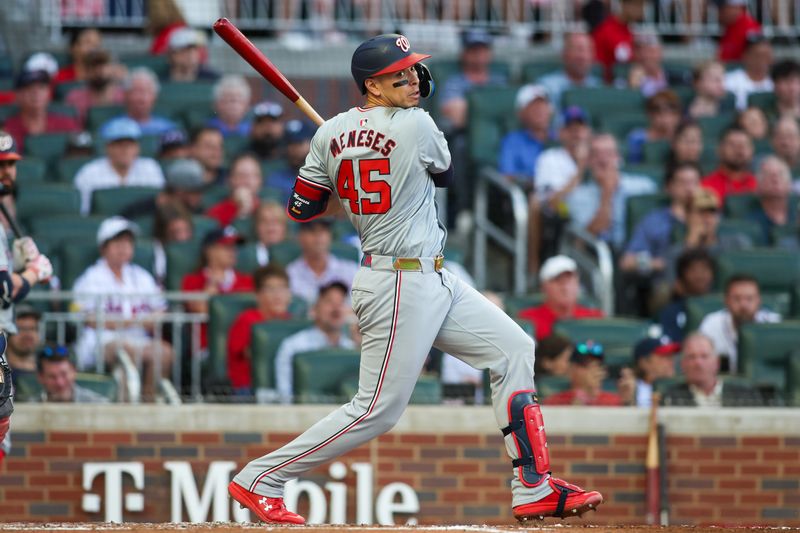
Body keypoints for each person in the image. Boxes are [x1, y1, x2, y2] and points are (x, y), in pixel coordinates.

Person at [228, 34, 603, 524]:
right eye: (398, 73)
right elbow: (443, 172)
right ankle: (263, 477)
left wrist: (345, 159)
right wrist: (375, 150)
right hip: (396, 281)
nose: (411, 78)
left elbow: (303, 208)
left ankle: (532, 485)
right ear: (372, 85)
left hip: (433, 276)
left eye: (412, 69)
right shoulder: (418, 124)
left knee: (514, 348)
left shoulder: (329, 134)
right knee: (376, 410)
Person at [72, 217, 173, 401]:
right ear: (103, 247)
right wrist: (138, 321)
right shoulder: (91, 278)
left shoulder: (141, 276)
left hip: (138, 339)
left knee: (164, 352)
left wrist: (129, 322)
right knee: (125, 350)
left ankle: (149, 405)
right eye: (117, 242)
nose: (124, 247)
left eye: (128, 242)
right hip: (101, 341)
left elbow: (160, 312)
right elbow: (90, 319)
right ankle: (125, 408)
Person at [566, 133, 657, 249]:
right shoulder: (577, 196)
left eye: (609, 154)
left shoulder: (644, 186)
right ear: (588, 161)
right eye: (596, 154)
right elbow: (584, 240)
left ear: (619, 158)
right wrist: (607, 193)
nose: (603, 160)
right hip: (601, 255)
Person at [273, 282, 354, 403]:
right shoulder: (293, 346)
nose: (336, 308)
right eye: (329, 302)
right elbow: (284, 396)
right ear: (314, 309)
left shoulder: (351, 348)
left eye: (341, 302)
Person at [621, 163, 702, 279]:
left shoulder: (712, 217)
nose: (689, 189)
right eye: (683, 183)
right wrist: (658, 263)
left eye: (694, 183)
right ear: (669, 187)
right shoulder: (654, 221)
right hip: (666, 286)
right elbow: (628, 262)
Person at [74, 117, 165, 215]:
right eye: (119, 144)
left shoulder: (150, 168)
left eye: (129, 144)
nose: (125, 150)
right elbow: (83, 211)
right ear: (107, 148)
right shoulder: (89, 172)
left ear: (138, 148)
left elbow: (161, 203)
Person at [181, 226, 254, 349]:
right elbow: (201, 309)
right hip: (208, 347)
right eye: (226, 247)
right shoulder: (192, 280)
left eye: (234, 247)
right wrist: (212, 284)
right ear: (209, 250)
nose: (232, 252)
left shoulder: (248, 281)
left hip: (241, 346)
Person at [227, 264, 293, 395]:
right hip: (249, 388)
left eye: (282, 288)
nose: (278, 295)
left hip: (285, 384)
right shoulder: (246, 320)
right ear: (258, 294)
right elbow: (252, 354)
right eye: (270, 289)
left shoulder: (292, 321)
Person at [698, 274, 780, 374]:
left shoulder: (775, 324)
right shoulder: (711, 324)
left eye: (749, 298)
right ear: (726, 301)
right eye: (737, 298)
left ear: (759, 300)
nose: (743, 305)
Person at [661, 332, 763, 407]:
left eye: (704, 356)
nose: (698, 363)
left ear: (717, 362)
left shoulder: (745, 396)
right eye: (691, 357)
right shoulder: (669, 399)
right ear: (682, 364)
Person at [518, 255, 604, 341]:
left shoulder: (594, 318)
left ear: (577, 284)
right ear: (544, 287)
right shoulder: (529, 320)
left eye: (569, 280)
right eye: (558, 280)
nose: (565, 287)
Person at [438, 29, 506, 133]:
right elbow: (456, 115)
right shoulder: (454, 82)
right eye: (473, 50)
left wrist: (471, 109)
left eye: (482, 50)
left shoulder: (499, 81)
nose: (478, 54)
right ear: (464, 54)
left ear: (490, 53)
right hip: (465, 135)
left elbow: (509, 112)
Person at [3, 70, 80, 152]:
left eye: (41, 87)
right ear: (17, 95)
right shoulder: (7, 129)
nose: (36, 92)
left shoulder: (66, 125)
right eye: (29, 88)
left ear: (48, 93)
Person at [286, 218, 358, 305]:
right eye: (312, 230)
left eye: (323, 230)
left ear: (330, 235)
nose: (318, 235)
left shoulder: (351, 270)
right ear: (300, 236)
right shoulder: (290, 274)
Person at [657, 247, 717, 342]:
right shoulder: (671, 312)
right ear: (681, 276)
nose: (700, 275)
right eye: (693, 270)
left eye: (704, 269)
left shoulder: (721, 309)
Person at [497, 84, 552, 182]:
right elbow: (507, 176)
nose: (540, 110)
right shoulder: (512, 141)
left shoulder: (560, 137)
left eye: (543, 105)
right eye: (533, 106)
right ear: (520, 113)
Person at [122, 158, 205, 220]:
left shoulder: (199, 211)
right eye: (193, 192)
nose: (199, 196)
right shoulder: (141, 210)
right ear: (178, 192)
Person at [544, 341, 623, 406]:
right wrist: (585, 394)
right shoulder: (555, 401)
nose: (592, 369)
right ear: (571, 369)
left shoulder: (615, 401)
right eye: (585, 365)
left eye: (597, 365)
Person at [537, 32, 601, 109]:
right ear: (564, 54)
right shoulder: (546, 87)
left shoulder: (598, 87)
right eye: (578, 50)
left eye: (588, 50)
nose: (583, 56)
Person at [64, 49, 126, 126]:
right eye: (94, 65)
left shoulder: (124, 96)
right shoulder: (74, 98)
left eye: (103, 65)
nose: (99, 70)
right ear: (86, 71)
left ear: (112, 68)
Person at [34, 345, 109, 403]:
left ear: (74, 372)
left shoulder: (97, 405)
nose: (60, 383)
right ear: (40, 377)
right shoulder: (29, 406)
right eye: (52, 377)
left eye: (64, 374)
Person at [618, 337, 680, 407]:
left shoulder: (682, 389)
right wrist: (627, 401)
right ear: (644, 362)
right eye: (665, 356)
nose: (671, 361)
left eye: (672, 356)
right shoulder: (629, 387)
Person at [591, 0, 645, 82]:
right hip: (606, 85)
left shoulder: (629, 32)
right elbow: (596, 64)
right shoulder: (605, 30)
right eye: (638, 6)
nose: (641, 11)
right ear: (624, 4)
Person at [116, 67, 179, 136]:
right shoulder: (114, 129)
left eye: (148, 92)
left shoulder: (168, 129)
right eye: (137, 92)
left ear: (155, 97)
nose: (142, 99)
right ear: (126, 95)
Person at [625, 89, 682, 164]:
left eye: (672, 112)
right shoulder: (637, 138)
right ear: (650, 114)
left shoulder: (682, 138)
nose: (666, 117)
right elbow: (633, 165)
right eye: (659, 111)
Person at [701, 126, 757, 203]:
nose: (739, 149)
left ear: (752, 151)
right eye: (732, 145)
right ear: (719, 150)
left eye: (743, 145)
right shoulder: (706, 187)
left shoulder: (759, 186)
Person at [625, 32, 690, 97]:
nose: (646, 55)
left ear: (660, 51)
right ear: (634, 53)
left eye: (651, 51)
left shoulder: (678, 78)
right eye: (640, 51)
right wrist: (632, 87)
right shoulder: (624, 78)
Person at [206, 153, 262, 226]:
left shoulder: (268, 213)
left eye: (253, 176)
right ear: (229, 180)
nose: (247, 181)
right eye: (241, 175)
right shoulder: (215, 213)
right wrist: (243, 210)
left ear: (260, 181)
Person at [265, 120, 315, 201]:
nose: (294, 148)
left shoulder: (322, 174)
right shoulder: (276, 177)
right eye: (290, 143)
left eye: (299, 143)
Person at [750, 155, 796, 244]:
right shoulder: (749, 223)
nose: (775, 178)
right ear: (758, 186)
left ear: (789, 185)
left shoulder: (797, 219)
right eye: (768, 175)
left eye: (780, 174)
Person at [724, 33, 774, 111]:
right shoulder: (729, 81)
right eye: (758, 55)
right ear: (745, 56)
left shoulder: (777, 82)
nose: (763, 60)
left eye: (767, 55)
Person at [151, 202, 194, 287]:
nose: (182, 237)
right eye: (175, 232)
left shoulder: (198, 251)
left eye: (186, 231)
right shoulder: (155, 253)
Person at [5, 304, 42, 390]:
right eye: (20, 329)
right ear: (7, 333)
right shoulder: (2, 374)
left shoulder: (48, 368)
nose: (28, 334)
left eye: (33, 328)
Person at [246, 201, 289, 267]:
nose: (271, 226)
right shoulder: (246, 254)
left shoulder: (296, 254)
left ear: (284, 226)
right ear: (257, 226)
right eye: (264, 221)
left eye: (276, 221)